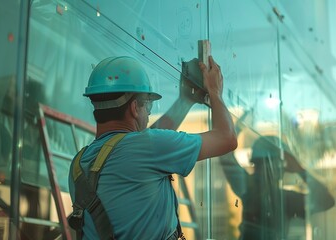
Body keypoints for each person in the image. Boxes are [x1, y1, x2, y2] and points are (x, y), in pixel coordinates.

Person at [68, 55, 237, 240]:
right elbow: (226, 138)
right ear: (134, 107)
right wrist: (215, 91)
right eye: (147, 104)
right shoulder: (148, 148)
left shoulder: (79, 164)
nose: (149, 113)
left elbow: (147, 142)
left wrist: (185, 101)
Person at [219, 112, 335, 240]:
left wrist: (240, 126)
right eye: (279, 164)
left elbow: (326, 201)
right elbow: (326, 201)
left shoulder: (251, 188)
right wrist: (300, 171)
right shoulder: (280, 197)